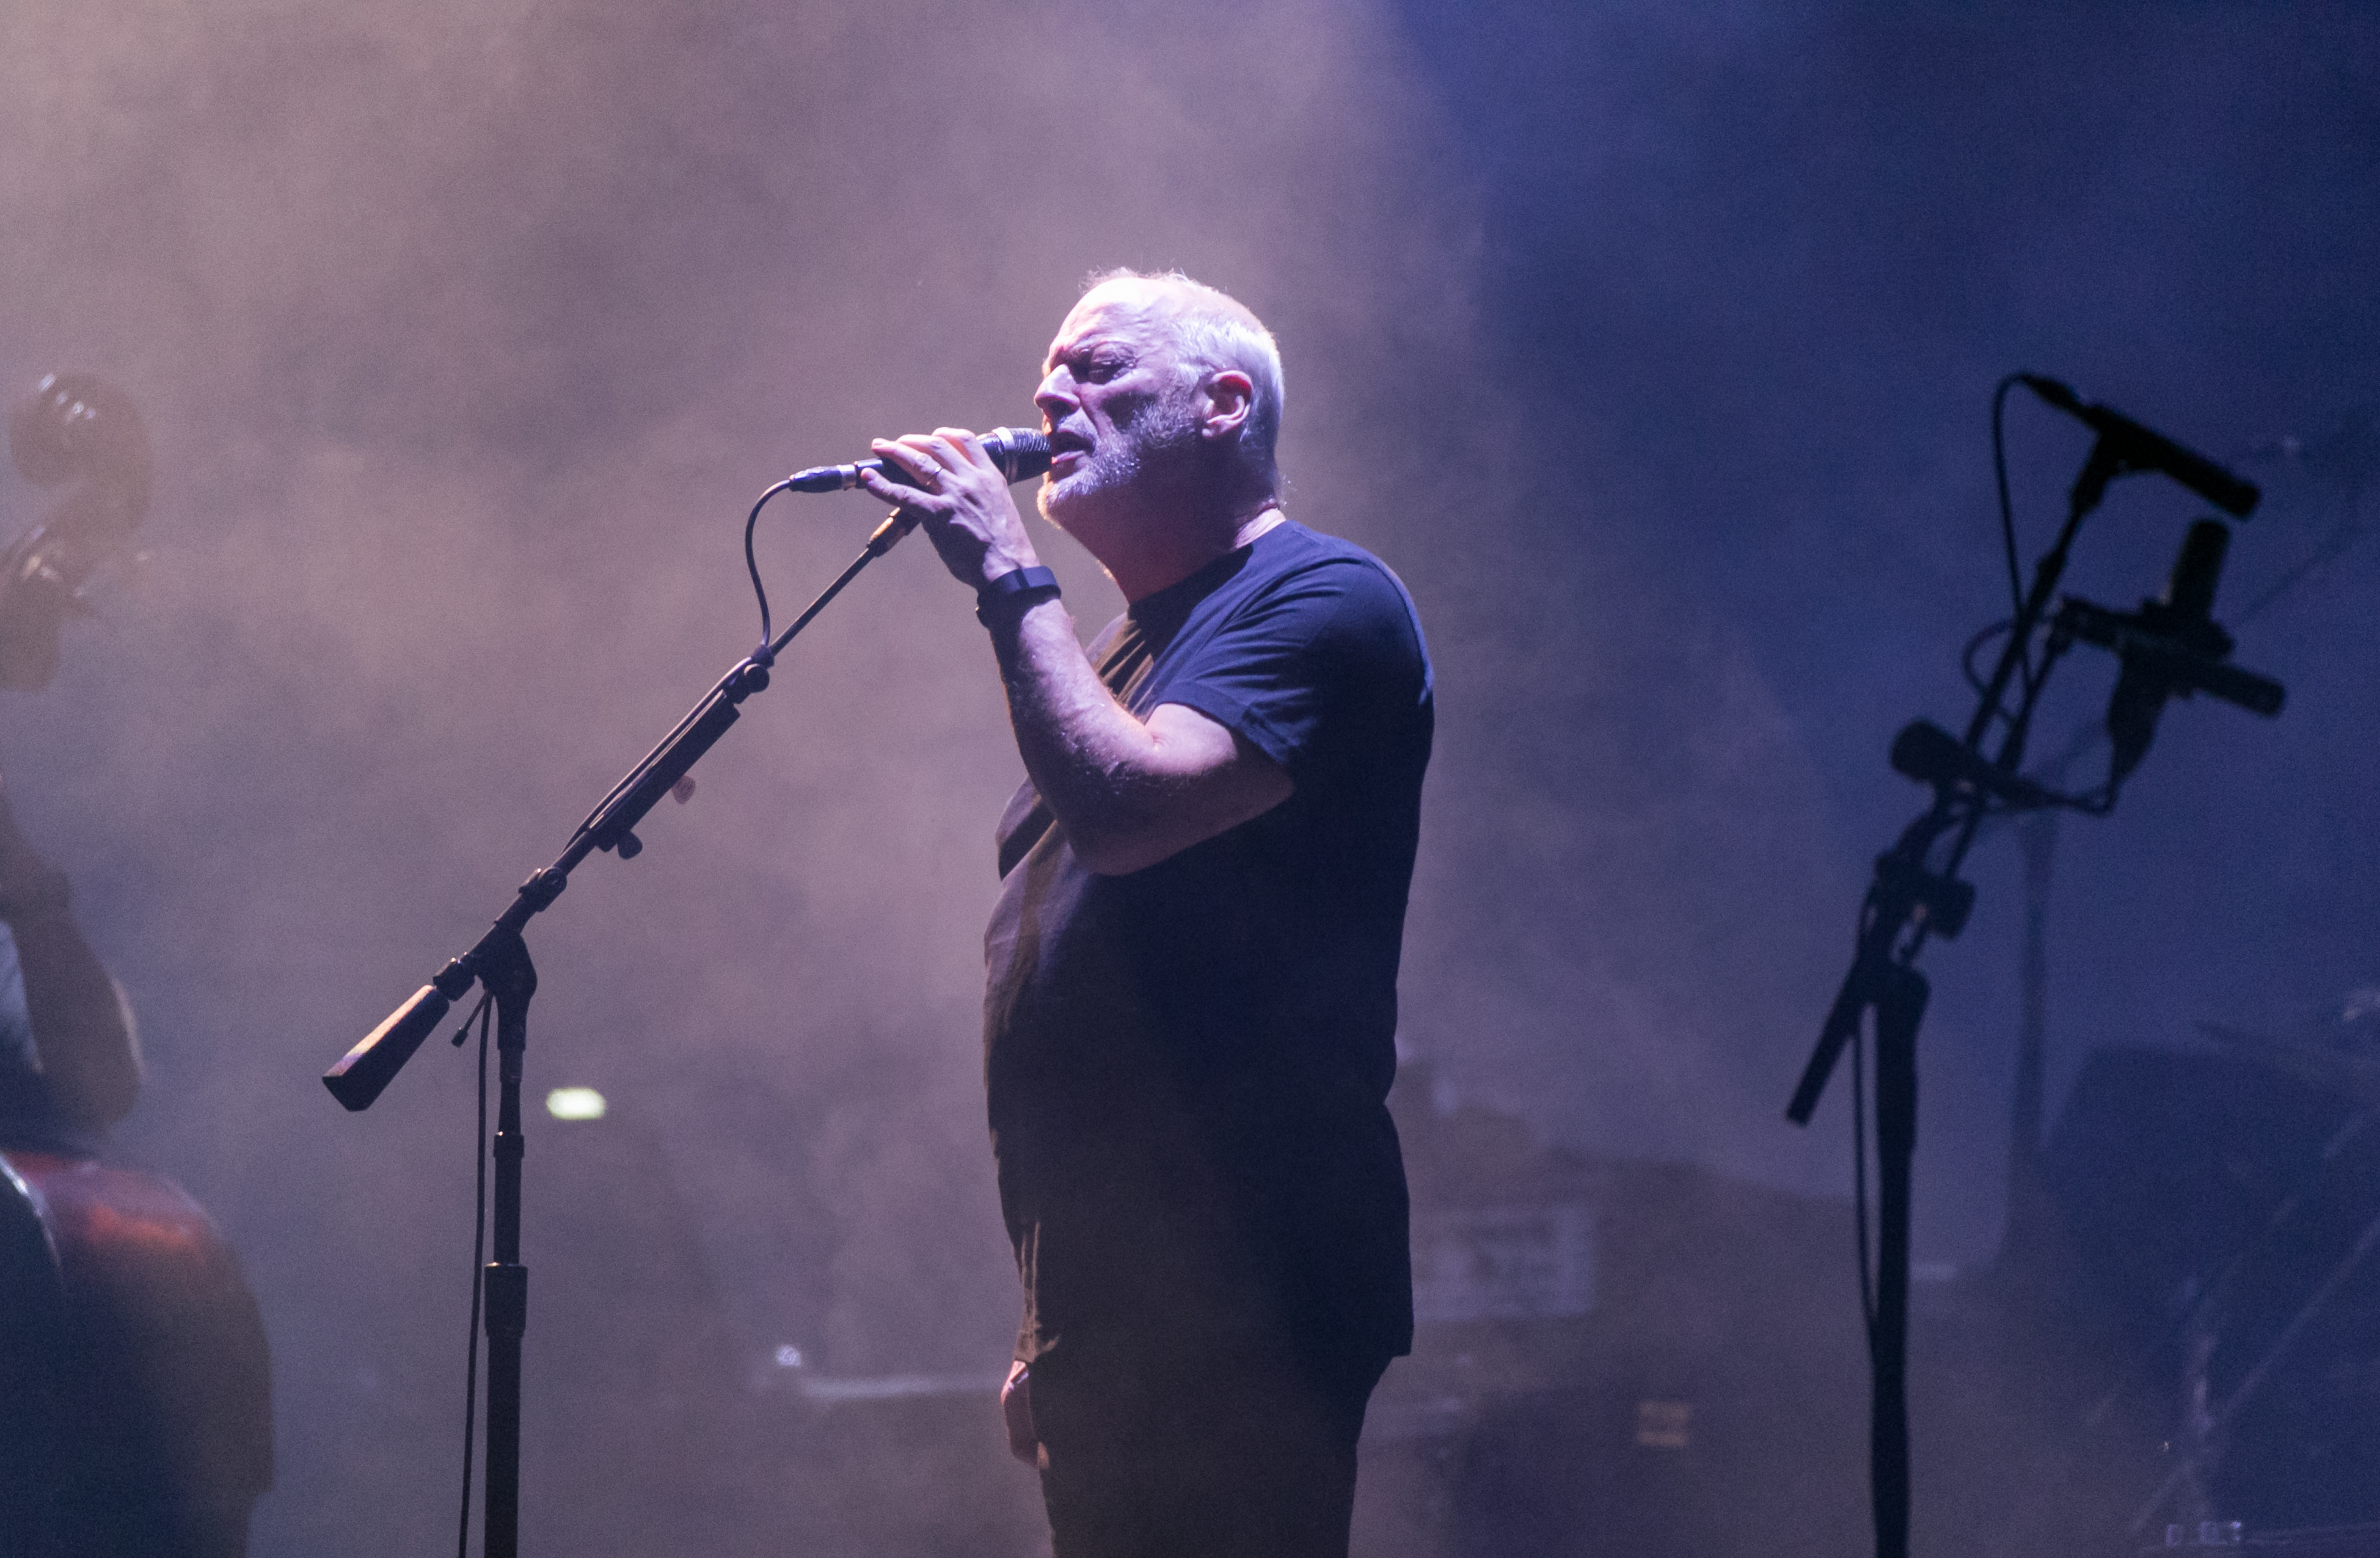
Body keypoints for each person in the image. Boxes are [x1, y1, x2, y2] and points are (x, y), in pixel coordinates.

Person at [858, 270, 1433, 1558]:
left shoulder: (1323, 597)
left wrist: (1008, 573)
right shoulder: (1125, 647)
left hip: (1244, 1286)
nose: (1051, 397)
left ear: (1223, 403)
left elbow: (1127, 815)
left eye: (1099, 368)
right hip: (1124, 1298)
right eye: (1045, 376)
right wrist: (1055, 1318)